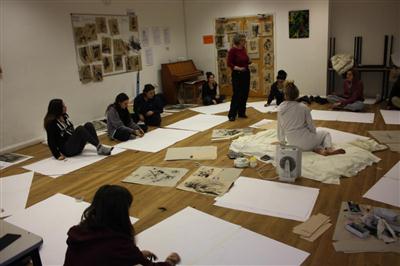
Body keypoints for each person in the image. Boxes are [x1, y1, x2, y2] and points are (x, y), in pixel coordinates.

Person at [64, 185, 180, 266]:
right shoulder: (119, 245)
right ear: (121, 212)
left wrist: (135, 255)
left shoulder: (79, 231)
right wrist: (170, 262)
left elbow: (97, 255)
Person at [277, 82, 345, 156]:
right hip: (307, 141)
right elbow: (311, 126)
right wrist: (313, 135)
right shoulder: (303, 107)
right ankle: (328, 149)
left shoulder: (280, 108)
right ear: (297, 95)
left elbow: (280, 128)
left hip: (293, 144)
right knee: (325, 134)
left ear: (285, 95)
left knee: (312, 141)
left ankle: (317, 149)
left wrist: (282, 142)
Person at [44, 99, 113, 160]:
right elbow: (51, 141)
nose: (65, 107)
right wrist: (57, 155)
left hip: (74, 145)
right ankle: (100, 147)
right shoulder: (51, 123)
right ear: (57, 109)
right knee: (80, 128)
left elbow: (71, 131)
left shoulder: (64, 116)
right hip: (68, 149)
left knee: (88, 125)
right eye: (63, 106)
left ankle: (99, 147)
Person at [227, 34, 251, 121]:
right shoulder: (232, 50)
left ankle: (241, 112)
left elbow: (245, 60)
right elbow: (229, 63)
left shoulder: (243, 49)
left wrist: (248, 61)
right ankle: (232, 114)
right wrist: (239, 68)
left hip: (246, 74)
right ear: (239, 41)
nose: (245, 41)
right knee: (237, 94)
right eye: (243, 40)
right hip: (237, 74)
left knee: (245, 93)